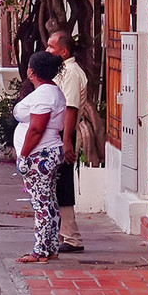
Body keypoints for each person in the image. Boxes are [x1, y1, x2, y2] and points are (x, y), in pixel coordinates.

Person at [15, 50, 67, 264]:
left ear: (32, 71)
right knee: (49, 202)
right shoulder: (52, 91)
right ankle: (51, 246)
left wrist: (24, 155)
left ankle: (40, 251)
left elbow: (37, 129)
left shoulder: (44, 95)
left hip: (40, 155)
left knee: (41, 203)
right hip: (49, 151)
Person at [46, 28, 88, 254]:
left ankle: (72, 237)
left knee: (63, 184)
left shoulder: (71, 73)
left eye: (51, 47)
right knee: (58, 184)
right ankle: (64, 233)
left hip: (66, 132)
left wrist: (66, 141)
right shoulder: (62, 71)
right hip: (62, 133)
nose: (47, 50)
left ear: (63, 51)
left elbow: (70, 108)